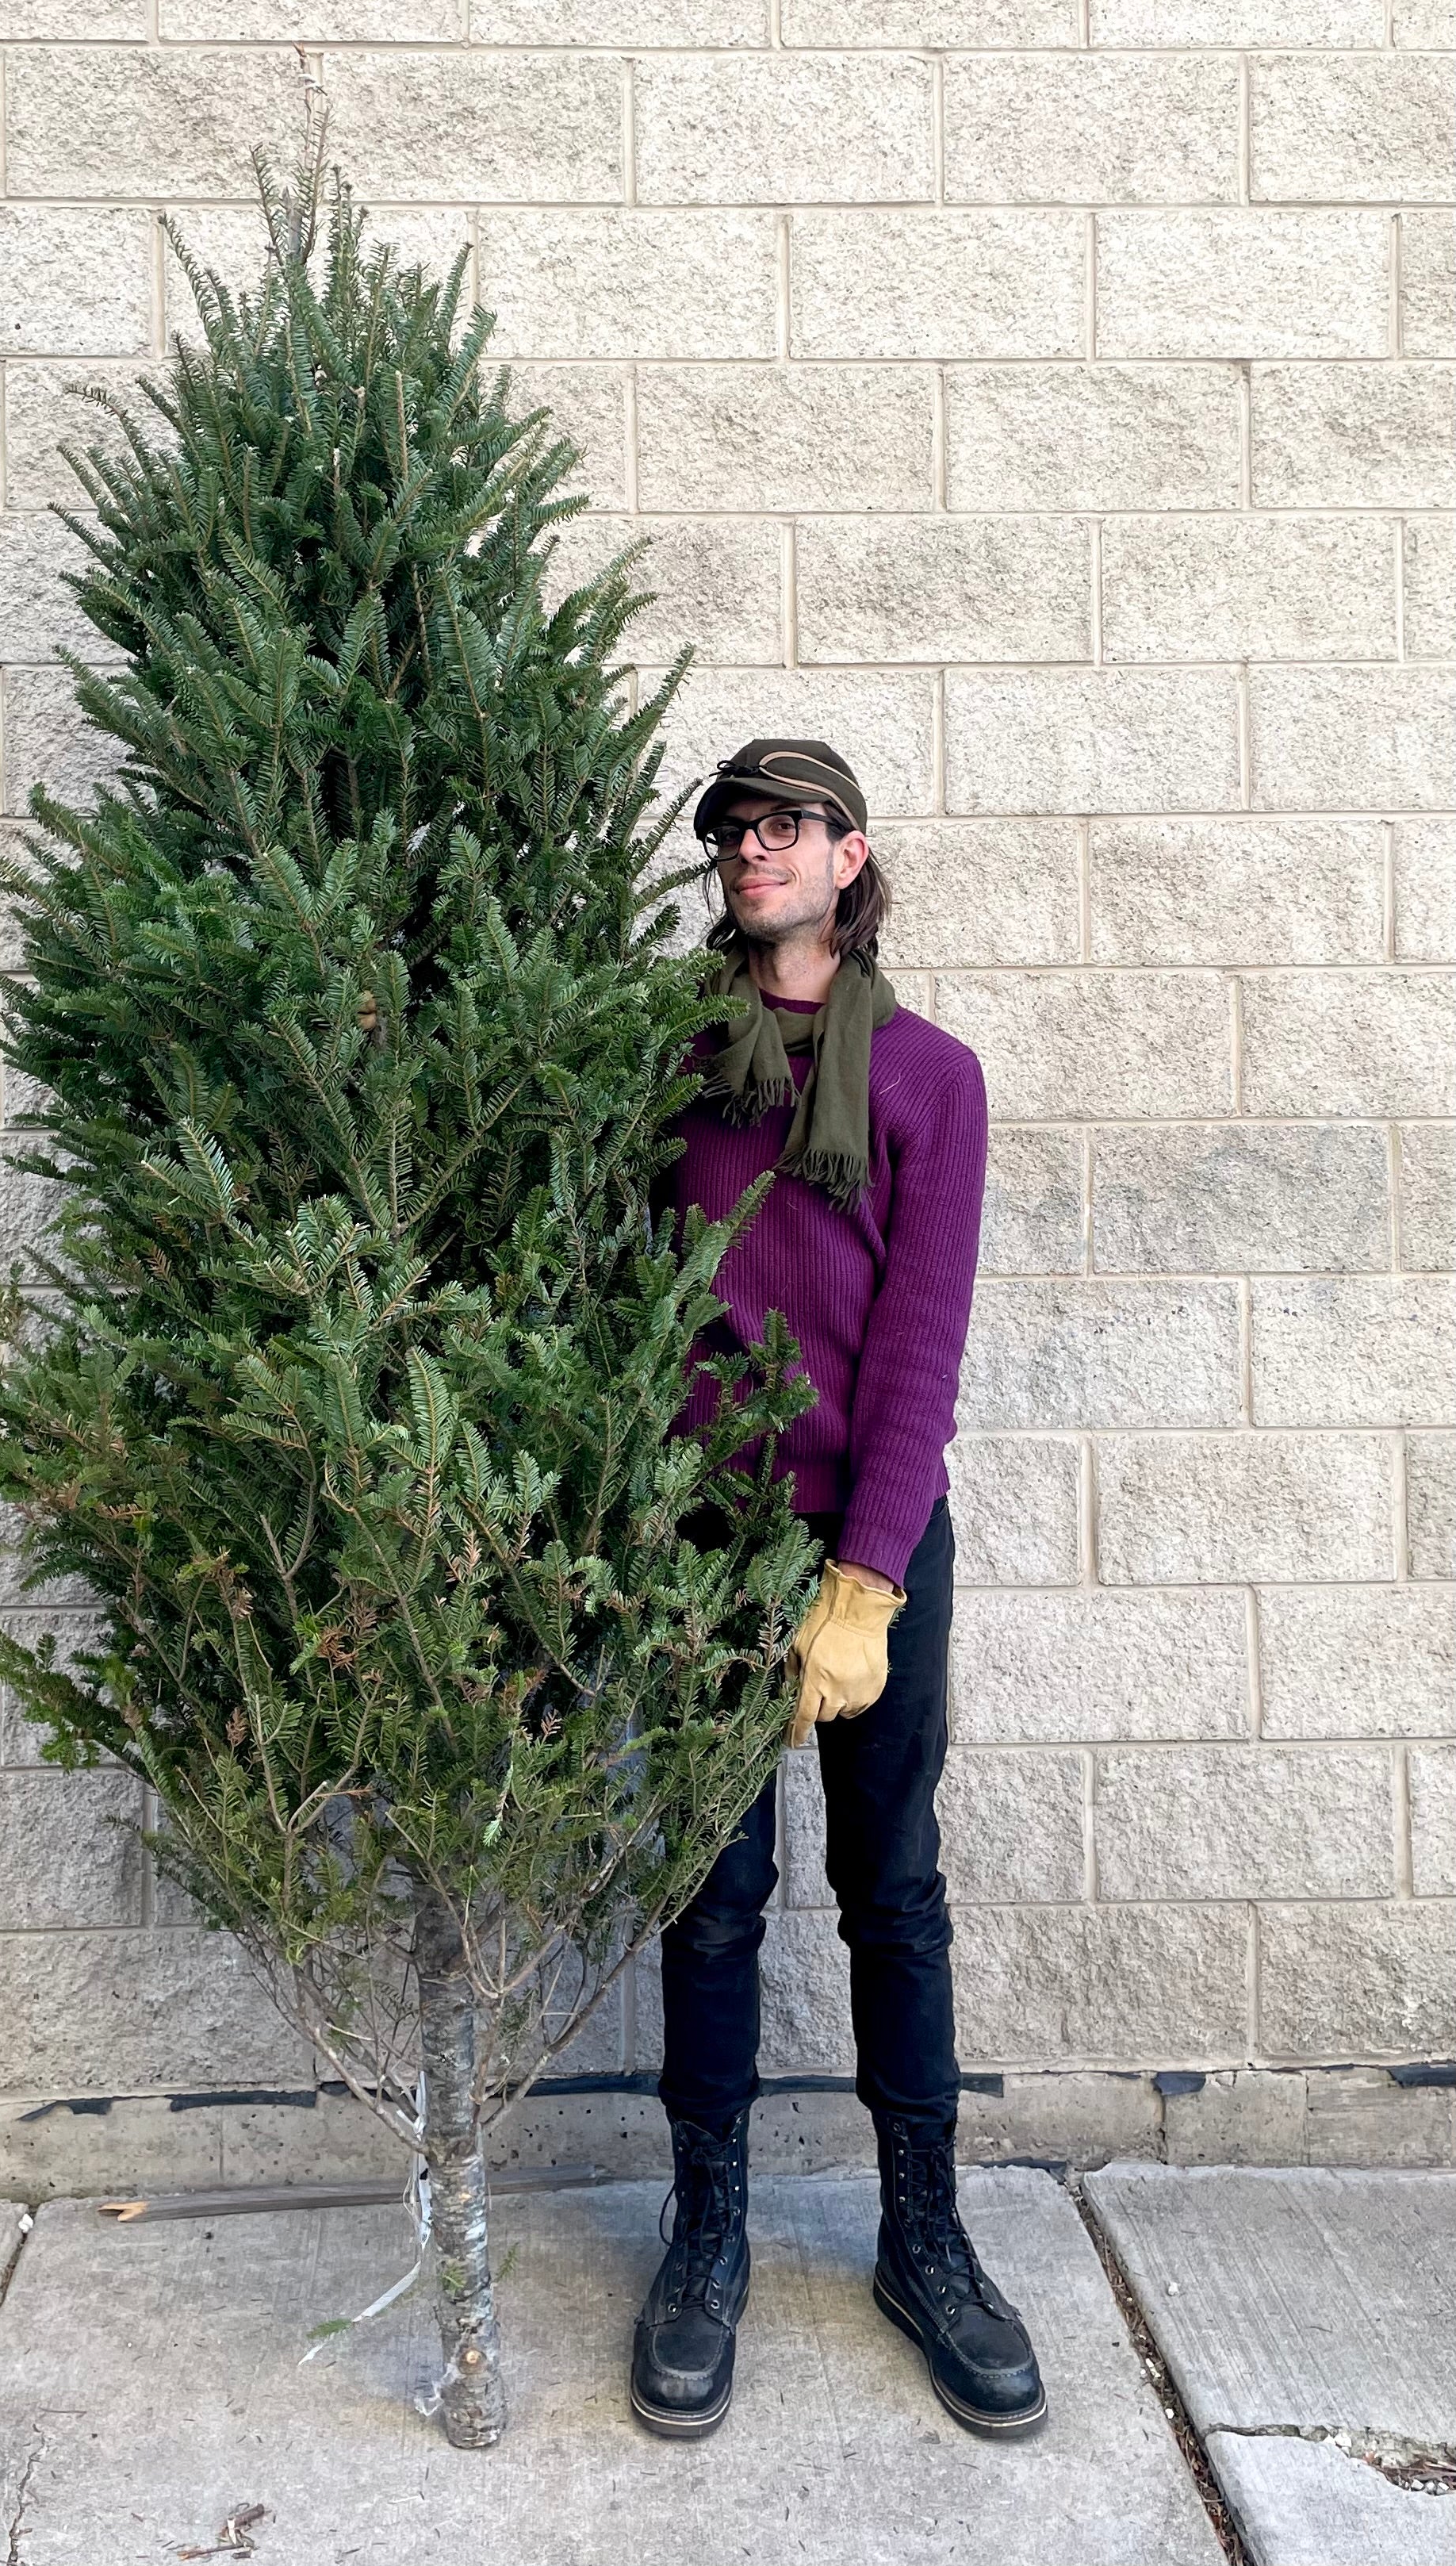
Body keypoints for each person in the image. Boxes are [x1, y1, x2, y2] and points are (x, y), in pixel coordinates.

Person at [630, 738, 1045, 2444]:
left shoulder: (927, 1077)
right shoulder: (668, 1063)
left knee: (894, 1891)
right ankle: (706, 2232)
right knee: (707, 1894)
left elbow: (918, 1346)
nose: (750, 849)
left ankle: (922, 2238)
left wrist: (866, 1577)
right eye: (731, 829)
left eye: (781, 825)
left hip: (869, 1537)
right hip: (701, 1549)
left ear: (848, 855)